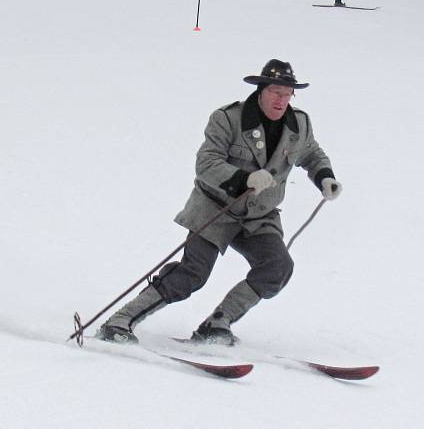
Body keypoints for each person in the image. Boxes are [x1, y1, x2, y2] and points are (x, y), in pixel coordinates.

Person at [97, 59, 341, 346]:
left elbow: (311, 154)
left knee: (277, 267)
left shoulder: (299, 123)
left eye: (288, 94)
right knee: (193, 274)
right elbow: (206, 163)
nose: (282, 100)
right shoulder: (228, 119)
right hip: (215, 208)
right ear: (261, 90)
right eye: (276, 91)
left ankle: (216, 324)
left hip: (259, 215)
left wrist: (325, 177)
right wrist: (243, 179)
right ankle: (121, 320)